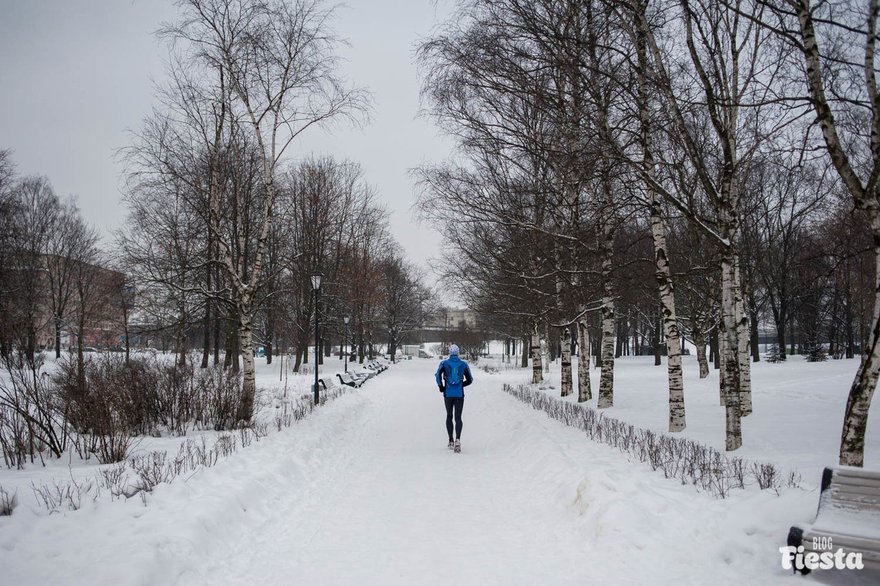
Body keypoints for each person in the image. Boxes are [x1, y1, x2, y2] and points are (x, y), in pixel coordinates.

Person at [435, 344, 474, 453]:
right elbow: (470, 379)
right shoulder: (463, 364)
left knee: (449, 416)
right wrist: (461, 385)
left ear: (449, 352)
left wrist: (441, 387)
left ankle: (450, 440)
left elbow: (437, 376)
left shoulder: (444, 363)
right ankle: (458, 440)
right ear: (458, 352)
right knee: (458, 418)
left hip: (448, 394)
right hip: (459, 394)